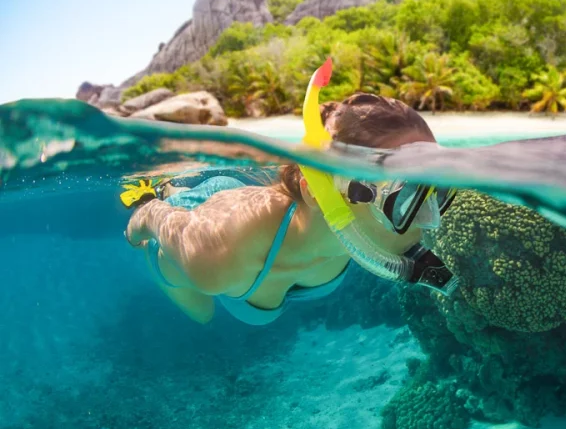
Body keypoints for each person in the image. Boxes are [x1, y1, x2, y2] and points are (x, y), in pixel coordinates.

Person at [124, 60, 457, 325]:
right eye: (406, 196)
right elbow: (151, 222)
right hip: (203, 221)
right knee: (202, 313)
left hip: (271, 224)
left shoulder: (361, 233)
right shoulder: (216, 257)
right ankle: (166, 188)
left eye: (439, 190)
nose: (431, 220)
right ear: (318, 191)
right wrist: (146, 213)